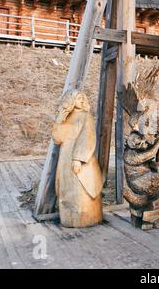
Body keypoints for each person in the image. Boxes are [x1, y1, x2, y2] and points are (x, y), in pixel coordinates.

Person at [52, 90, 103, 227]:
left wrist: (78, 158)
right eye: (78, 98)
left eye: (83, 98)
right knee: (67, 189)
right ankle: (69, 218)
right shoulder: (66, 118)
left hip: (80, 157)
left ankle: (86, 218)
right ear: (70, 101)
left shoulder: (86, 116)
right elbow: (57, 139)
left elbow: (87, 137)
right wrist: (58, 121)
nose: (81, 100)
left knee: (81, 188)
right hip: (64, 157)